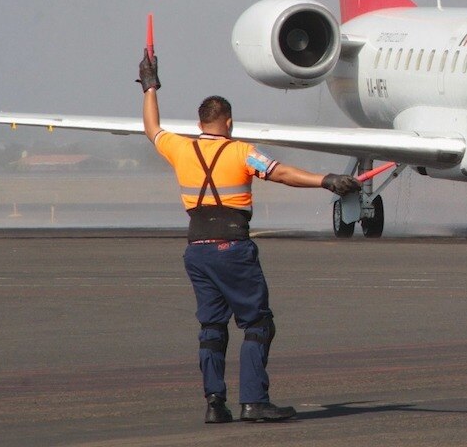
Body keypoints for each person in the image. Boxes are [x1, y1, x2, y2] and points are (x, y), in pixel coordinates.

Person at [138, 50, 360, 424]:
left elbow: (151, 128)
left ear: (199, 122)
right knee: (257, 324)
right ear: (228, 121)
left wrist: (149, 86)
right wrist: (326, 180)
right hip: (232, 249)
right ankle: (254, 401)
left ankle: (214, 403)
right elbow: (281, 173)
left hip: (197, 250)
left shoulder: (180, 148)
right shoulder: (242, 152)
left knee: (212, 327)